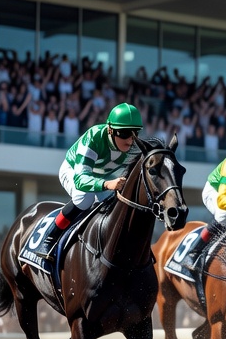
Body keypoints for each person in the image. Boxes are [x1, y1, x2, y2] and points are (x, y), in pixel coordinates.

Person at [30, 103, 143, 261]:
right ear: (110, 129)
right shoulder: (94, 137)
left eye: (135, 133)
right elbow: (81, 179)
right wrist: (106, 184)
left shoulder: (135, 147)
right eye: (124, 133)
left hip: (102, 178)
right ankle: (50, 239)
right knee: (85, 198)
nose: (130, 140)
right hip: (74, 171)